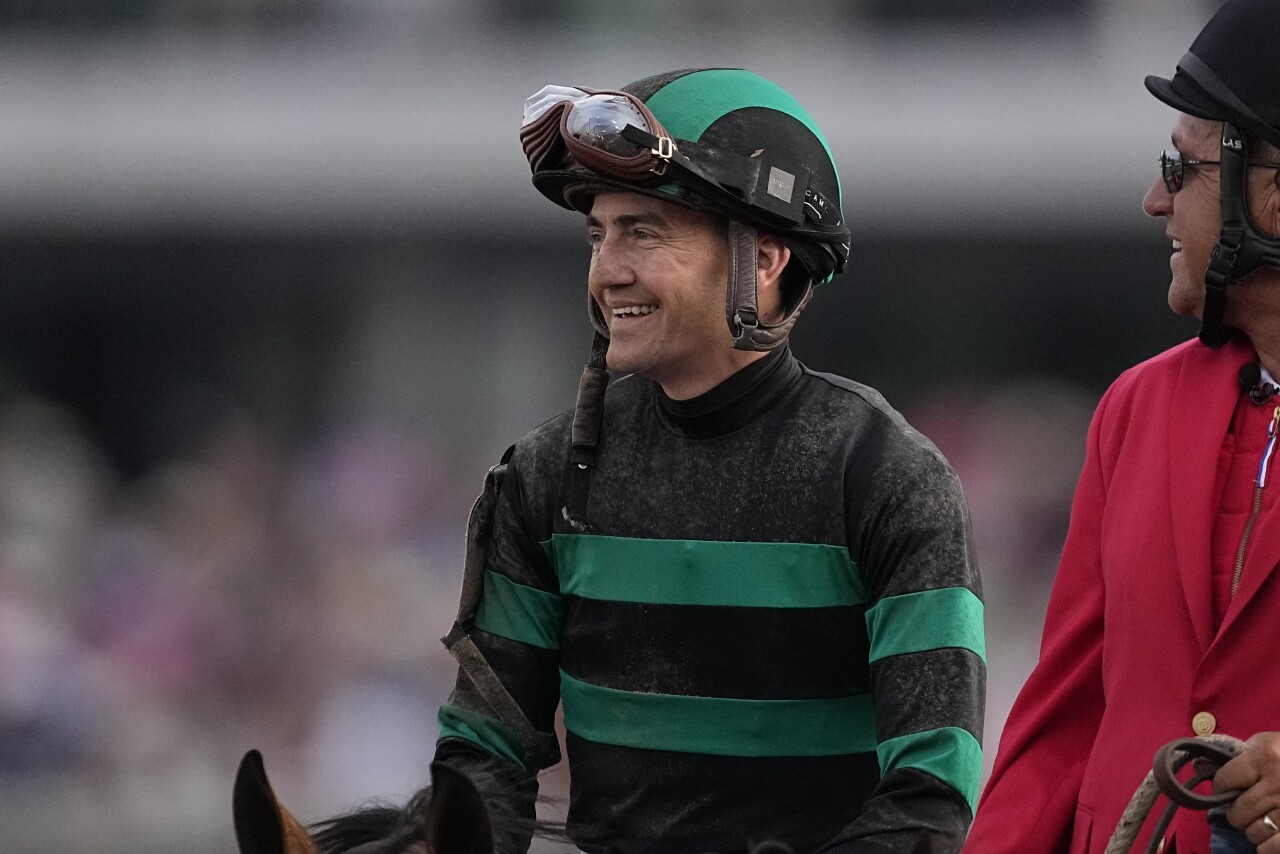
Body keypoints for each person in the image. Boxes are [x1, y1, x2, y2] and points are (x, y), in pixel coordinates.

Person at [431, 68, 985, 854]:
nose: (607, 270)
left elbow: (930, 801)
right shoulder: (544, 475)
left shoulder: (890, 478)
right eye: (599, 233)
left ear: (761, 260)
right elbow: (483, 761)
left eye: (644, 233)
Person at [962, 1, 1280, 852]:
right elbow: (1058, 731)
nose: (1152, 200)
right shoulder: (1136, 409)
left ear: (1278, 195)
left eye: (1182, 169)